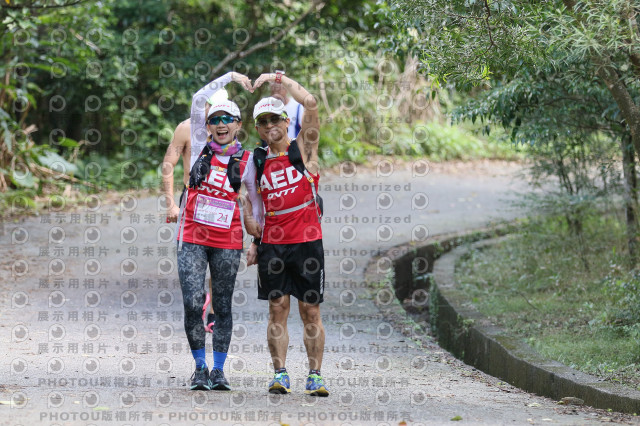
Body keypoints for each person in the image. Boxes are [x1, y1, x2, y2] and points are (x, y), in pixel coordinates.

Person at [177, 71, 262, 391]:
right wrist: (230, 77)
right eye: (215, 119)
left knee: (222, 305)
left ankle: (219, 370)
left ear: (238, 125)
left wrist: (257, 241)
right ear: (207, 126)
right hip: (192, 237)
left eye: (228, 119)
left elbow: (256, 203)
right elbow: (199, 99)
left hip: (228, 240)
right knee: (192, 302)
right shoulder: (199, 145)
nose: (221, 124)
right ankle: (199, 368)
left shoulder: (248, 160)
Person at [247, 71, 328, 397]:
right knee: (277, 309)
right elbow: (251, 202)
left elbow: (311, 102)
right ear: (258, 128)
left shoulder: (303, 149)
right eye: (263, 122)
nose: (270, 126)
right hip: (273, 247)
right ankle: (280, 374)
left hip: (307, 243)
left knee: (310, 311)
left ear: (285, 119)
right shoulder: (257, 160)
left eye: (274, 119)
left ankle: (315, 375)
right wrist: (253, 239)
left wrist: (277, 77)